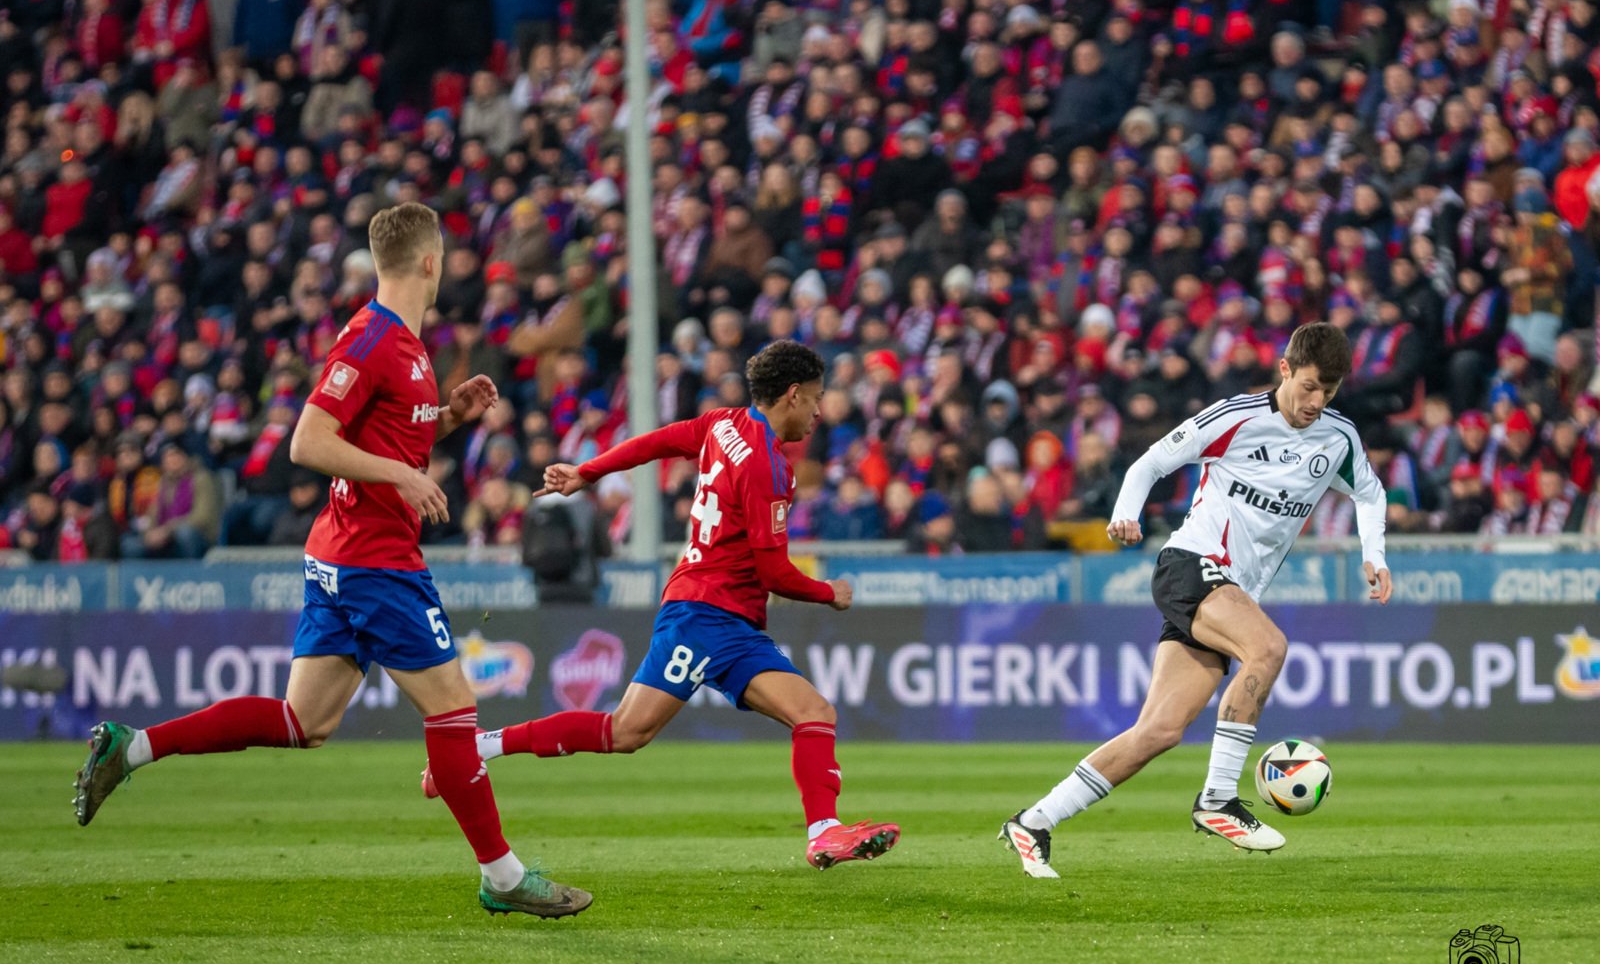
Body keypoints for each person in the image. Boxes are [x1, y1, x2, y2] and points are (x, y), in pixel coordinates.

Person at [72, 203, 590, 919]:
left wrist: (449, 421)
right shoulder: (372, 339)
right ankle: (502, 878)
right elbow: (308, 442)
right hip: (375, 562)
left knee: (302, 720)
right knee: (453, 710)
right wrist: (402, 478)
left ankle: (129, 751)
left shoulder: (407, 346)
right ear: (430, 262)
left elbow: (389, 436)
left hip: (342, 555)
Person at [424, 341, 901, 871]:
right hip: (705, 615)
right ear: (792, 395)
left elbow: (660, 441)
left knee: (812, 713)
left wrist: (590, 470)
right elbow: (774, 573)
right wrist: (827, 592)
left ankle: (823, 833)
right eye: (814, 400)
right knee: (625, 732)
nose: (817, 413)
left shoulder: (724, 424)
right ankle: (476, 747)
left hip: (725, 617)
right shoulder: (767, 466)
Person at [999, 322, 1393, 878]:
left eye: (1328, 392)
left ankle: (1033, 822)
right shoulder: (1234, 418)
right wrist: (1126, 511)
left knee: (1157, 732)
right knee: (1269, 648)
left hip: (1227, 592)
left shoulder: (1338, 438)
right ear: (1284, 370)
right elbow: (1152, 462)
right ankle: (1217, 799)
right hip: (1191, 564)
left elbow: (1370, 494)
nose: (1315, 402)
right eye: (1308, 387)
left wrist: (1373, 556)